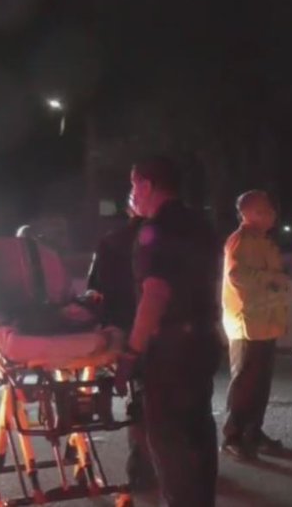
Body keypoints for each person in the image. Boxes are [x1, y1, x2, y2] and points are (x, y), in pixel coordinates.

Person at [114, 157, 223, 506]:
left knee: (168, 440)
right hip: (204, 341)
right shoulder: (200, 224)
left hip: (170, 350)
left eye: (133, 186)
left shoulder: (156, 230)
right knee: (199, 431)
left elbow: (155, 293)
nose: (132, 194)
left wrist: (132, 352)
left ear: (146, 184)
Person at [84, 206, 156, 490]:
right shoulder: (173, 240)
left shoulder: (111, 242)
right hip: (169, 331)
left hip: (126, 329)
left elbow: (95, 290)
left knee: (140, 400)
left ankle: (142, 471)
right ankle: (176, 465)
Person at [220, 190, 290, 461]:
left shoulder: (263, 241)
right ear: (247, 213)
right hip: (246, 325)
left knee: (260, 384)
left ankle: (253, 432)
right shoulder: (241, 241)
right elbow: (236, 275)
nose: (270, 214)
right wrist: (271, 279)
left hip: (264, 324)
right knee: (245, 383)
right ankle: (233, 436)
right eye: (263, 209)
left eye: (270, 209)